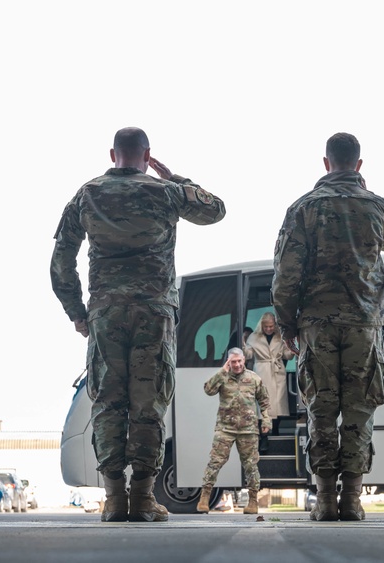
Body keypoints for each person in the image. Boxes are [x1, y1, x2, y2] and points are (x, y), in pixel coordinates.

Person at [50, 127, 226, 522]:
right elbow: (215, 210)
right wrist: (176, 178)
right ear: (147, 156)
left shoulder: (89, 194)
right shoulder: (165, 192)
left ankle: (114, 499)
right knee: (149, 404)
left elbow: (61, 258)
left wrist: (77, 311)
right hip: (154, 313)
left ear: (113, 153)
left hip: (106, 314)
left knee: (109, 402)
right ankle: (143, 498)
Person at [271, 132, 384, 521]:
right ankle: (352, 500)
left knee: (321, 410)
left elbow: (285, 273)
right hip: (364, 324)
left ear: (326, 162)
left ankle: (326, 500)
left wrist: (287, 324)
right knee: (359, 411)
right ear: (359, 165)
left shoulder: (302, 209)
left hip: (316, 325)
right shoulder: (380, 208)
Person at [197, 348, 271, 515]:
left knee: (251, 466)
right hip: (225, 428)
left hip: (248, 430)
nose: (237, 365)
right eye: (233, 362)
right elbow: (208, 390)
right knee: (215, 462)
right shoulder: (222, 377)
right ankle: (204, 498)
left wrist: (266, 420)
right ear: (228, 362)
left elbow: (264, 401)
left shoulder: (254, 378)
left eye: (239, 361)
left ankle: (253, 501)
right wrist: (221, 372)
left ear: (244, 360)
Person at [244, 312, 295, 420]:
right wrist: (243, 344)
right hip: (262, 371)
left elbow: (286, 355)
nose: (268, 329)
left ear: (275, 325)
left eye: (271, 326)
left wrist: (292, 350)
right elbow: (248, 355)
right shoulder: (254, 337)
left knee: (278, 403)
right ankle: (264, 433)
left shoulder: (281, 336)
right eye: (266, 326)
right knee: (263, 401)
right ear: (261, 326)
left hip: (277, 371)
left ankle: (276, 430)